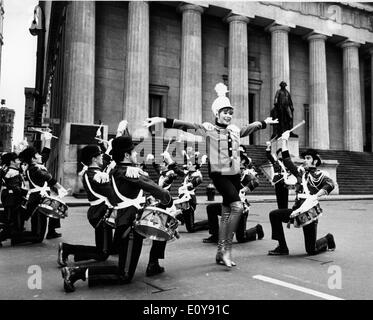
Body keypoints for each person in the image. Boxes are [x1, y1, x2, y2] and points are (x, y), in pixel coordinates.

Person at [144, 82, 278, 268]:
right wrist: (163, 121)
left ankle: (219, 254)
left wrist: (264, 123)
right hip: (219, 174)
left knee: (226, 213)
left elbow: (250, 128)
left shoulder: (235, 130)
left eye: (230, 112)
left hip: (234, 175)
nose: (228, 115)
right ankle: (226, 251)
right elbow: (186, 125)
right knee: (237, 207)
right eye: (225, 112)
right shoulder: (208, 129)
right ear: (216, 113)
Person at [60, 135, 175, 292]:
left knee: (111, 255)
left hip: (124, 221)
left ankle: (153, 263)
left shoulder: (115, 170)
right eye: (134, 152)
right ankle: (75, 272)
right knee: (124, 275)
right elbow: (156, 189)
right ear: (127, 155)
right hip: (131, 225)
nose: (136, 155)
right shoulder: (129, 172)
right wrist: (168, 201)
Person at [268, 130, 336, 256]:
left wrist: (316, 196)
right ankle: (282, 247)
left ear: (315, 161)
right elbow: (287, 161)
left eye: (308, 158)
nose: (305, 160)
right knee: (274, 215)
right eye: (304, 158)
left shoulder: (320, 175)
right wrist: (284, 141)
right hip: (297, 210)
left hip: (309, 212)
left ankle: (327, 239)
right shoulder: (300, 173)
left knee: (311, 250)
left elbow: (330, 184)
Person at [57, 144, 118, 268]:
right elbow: (111, 194)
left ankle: (78, 255)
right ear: (94, 159)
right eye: (99, 155)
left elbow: (105, 161)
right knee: (103, 253)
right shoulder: (98, 175)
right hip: (102, 214)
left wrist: (113, 143)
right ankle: (67, 249)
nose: (102, 157)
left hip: (96, 212)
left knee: (104, 247)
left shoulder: (89, 172)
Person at [203, 146, 264, 244]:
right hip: (229, 205)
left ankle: (257, 229)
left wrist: (245, 188)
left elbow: (256, 181)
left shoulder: (246, 173)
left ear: (243, 162)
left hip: (241, 207)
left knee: (241, 238)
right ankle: (215, 235)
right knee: (211, 208)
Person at [15, 132, 68, 244]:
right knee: (38, 236)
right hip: (37, 201)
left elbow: (45, 154)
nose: (40, 155)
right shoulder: (35, 169)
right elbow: (48, 178)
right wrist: (60, 188)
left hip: (39, 198)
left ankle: (50, 231)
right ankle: (14, 236)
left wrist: (48, 140)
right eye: (37, 154)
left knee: (53, 208)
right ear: (33, 159)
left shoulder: (34, 165)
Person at [0, 152, 29, 246]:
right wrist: (26, 192)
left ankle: (16, 237)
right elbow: (14, 187)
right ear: (12, 162)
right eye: (17, 160)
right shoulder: (13, 171)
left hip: (9, 196)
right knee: (11, 220)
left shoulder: (9, 169)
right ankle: (6, 237)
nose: (19, 161)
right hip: (11, 198)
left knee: (13, 219)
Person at [265, 141, 289, 209]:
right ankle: (280, 210)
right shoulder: (275, 162)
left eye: (282, 154)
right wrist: (268, 147)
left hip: (285, 181)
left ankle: (284, 210)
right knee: (279, 197)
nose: (281, 155)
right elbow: (268, 156)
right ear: (277, 155)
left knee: (285, 197)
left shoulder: (287, 163)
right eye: (279, 154)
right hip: (278, 181)